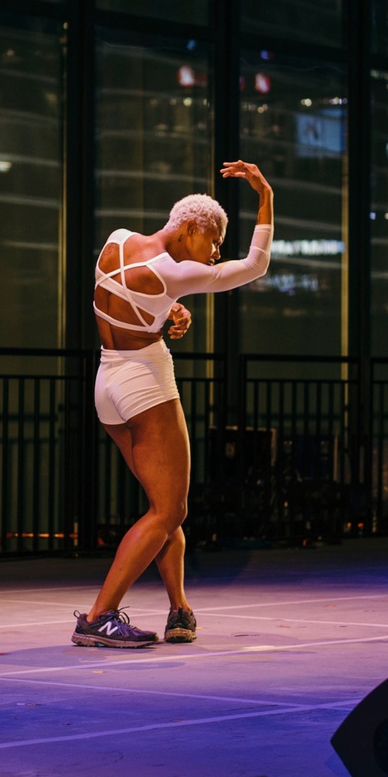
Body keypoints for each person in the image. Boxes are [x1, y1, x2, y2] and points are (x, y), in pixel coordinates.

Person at [73, 161, 274, 648]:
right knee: (170, 509)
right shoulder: (172, 271)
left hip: (107, 382)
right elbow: (255, 266)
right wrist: (265, 196)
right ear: (189, 230)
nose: (215, 254)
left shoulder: (117, 241)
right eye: (213, 242)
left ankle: (179, 609)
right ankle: (99, 615)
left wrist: (170, 308)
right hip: (144, 381)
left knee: (164, 508)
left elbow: (124, 298)